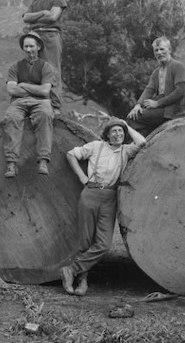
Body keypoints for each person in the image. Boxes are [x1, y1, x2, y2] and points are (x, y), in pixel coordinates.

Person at [61, 118, 146, 296]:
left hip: (110, 197)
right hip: (90, 193)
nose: (118, 134)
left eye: (121, 132)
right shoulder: (96, 146)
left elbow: (142, 142)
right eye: (114, 131)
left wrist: (126, 125)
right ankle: (82, 280)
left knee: (103, 244)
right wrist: (82, 177)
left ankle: (71, 269)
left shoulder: (125, 150)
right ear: (107, 134)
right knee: (85, 241)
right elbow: (71, 154)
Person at [3, 31, 56, 178]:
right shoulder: (15, 67)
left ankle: (43, 160)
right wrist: (35, 90)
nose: (28, 50)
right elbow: (11, 89)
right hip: (18, 102)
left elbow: (45, 91)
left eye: (31, 46)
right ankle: (11, 162)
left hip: (41, 102)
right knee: (12, 117)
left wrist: (23, 84)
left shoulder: (46, 67)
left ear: (38, 46)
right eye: (26, 46)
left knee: (45, 114)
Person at [22, 0, 67, 113]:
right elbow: (25, 18)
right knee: (34, 68)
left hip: (50, 36)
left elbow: (53, 17)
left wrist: (34, 18)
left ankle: (55, 106)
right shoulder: (36, 2)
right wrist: (42, 13)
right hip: (35, 36)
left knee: (52, 68)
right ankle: (37, 103)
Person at [126, 36, 185, 136]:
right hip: (161, 110)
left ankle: (138, 145)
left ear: (169, 50)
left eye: (162, 49)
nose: (159, 53)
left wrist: (158, 103)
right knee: (133, 116)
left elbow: (180, 91)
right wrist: (138, 104)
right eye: (156, 50)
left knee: (133, 119)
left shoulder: (177, 66)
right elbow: (149, 89)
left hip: (173, 110)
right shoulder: (156, 72)